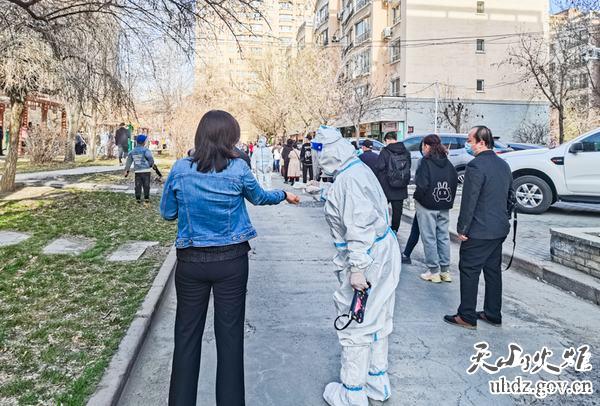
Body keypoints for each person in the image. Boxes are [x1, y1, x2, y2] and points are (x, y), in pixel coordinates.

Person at [160, 110, 300, 406]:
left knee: (186, 338)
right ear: (230, 138)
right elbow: (259, 197)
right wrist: (283, 195)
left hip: (191, 262)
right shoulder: (238, 169)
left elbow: (167, 213)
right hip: (231, 263)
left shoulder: (180, 169)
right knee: (230, 340)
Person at [313, 126, 401, 406]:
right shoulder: (358, 170)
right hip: (382, 251)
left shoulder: (348, 181)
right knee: (379, 317)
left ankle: (352, 392)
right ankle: (377, 380)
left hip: (367, 257)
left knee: (355, 321)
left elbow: (358, 225)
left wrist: (358, 268)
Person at [444, 126, 514, 330]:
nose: (468, 144)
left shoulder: (476, 166)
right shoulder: (503, 165)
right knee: (493, 271)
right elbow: (510, 196)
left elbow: (469, 200)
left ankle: (466, 316)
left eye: (470, 140)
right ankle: (493, 313)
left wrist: (462, 228)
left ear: (482, 142)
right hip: (498, 228)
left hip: (479, 230)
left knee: (469, 269)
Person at [413, 134, 458, 283]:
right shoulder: (447, 162)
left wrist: (417, 197)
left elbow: (421, 184)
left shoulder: (425, 162)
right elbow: (454, 182)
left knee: (429, 237)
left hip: (427, 205)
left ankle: (433, 271)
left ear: (426, 146)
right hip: (444, 204)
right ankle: (445, 271)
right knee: (443, 236)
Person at [374, 133, 411, 233]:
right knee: (397, 211)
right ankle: (395, 229)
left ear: (387, 140)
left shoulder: (385, 152)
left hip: (386, 187)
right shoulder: (406, 151)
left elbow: (379, 167)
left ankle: (382, 229)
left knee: (381, 209)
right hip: (401, 187)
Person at [124, 134, 155, 204]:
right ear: (144, 142)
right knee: (146, 185)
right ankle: (146, 198)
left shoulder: (132, 151)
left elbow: (129, 162)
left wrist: (127, 170)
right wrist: (150, 165)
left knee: (138, 185)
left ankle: (138, 198)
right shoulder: (146, 150)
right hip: (146, 171)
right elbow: (150, 159)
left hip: (137, 171)